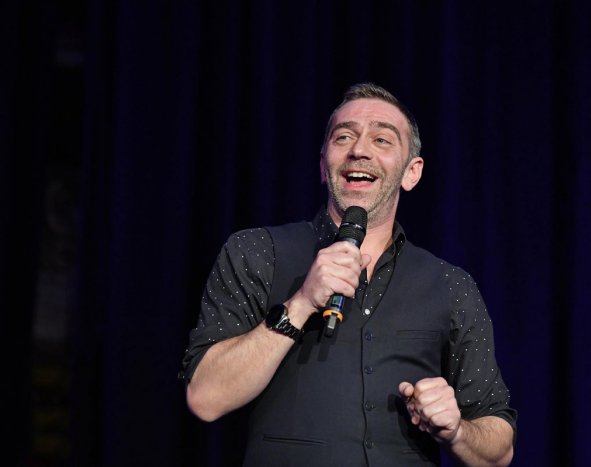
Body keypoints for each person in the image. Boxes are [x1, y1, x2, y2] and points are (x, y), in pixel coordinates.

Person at [180, 83, 516, 466]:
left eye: (382, 139)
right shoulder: (257, 252)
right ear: (323, 165)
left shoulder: (450, 284)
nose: (359, 150)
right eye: (344, 137)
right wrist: (300, 304)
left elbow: (500, 449)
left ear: (411, 173)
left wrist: (456, 431)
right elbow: (205, 398)